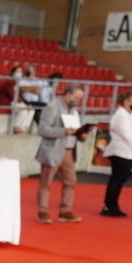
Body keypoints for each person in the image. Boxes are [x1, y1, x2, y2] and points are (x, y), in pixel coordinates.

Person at [36, 84, 87, 224]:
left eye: (80, 99)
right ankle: (43, 212)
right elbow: (42, 130)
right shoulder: (52, 107)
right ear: (68, 94)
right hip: (53, 150)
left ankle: (65, 211)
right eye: (76, 97)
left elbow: (74, 131)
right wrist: (63, 132)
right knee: (46, 183)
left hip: (70, 151)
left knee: (71, 182)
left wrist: (81, 135)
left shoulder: (74, 111)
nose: (78, 101)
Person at [101, 89, 132, 218]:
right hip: (120, 151)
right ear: (127, 101)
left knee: (121, 179)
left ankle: (114, 205)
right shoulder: (120, 115)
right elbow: (126, 134)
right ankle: (109, 205)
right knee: (117, 178)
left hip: (131, 151)